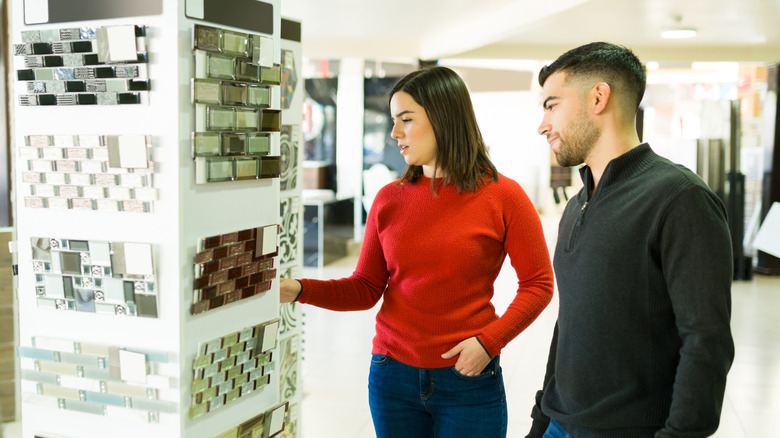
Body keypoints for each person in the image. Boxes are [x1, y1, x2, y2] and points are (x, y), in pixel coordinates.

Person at [280, 66, 554, 437]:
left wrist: (489, 343)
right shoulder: (389, 199)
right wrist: (298, 289)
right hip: (392, 377)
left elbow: (538, 284)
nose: (395, 134)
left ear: (444, 118)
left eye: (406, 120)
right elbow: (365, 288)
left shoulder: (505, 197)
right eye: (394, 121)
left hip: (469, 379)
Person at [525, 42, 735, 438]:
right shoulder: (576, 206)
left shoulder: (680, 198)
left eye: (552, 105)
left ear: (598, 97)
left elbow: (707, 340)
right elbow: (569, 325)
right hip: (558, 424)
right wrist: (541, 421)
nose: (543, 124)